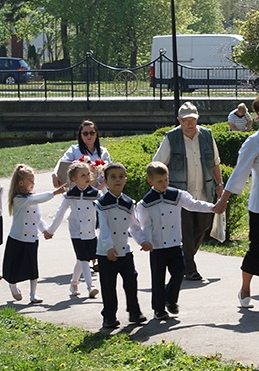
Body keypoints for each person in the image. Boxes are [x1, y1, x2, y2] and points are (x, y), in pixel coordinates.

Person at [214, 92, 259, 308]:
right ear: (258, 114)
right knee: (258, 248)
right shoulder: (254, 142)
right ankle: (245, 288)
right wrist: (224, 200)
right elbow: (239, 173)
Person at [131, 161, 215, 320]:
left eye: (166, 180)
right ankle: (158, 309)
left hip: (175, 243)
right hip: (156, 247)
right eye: (160, 181)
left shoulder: (177, 195)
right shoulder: (145, 204)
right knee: (158, 277)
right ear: (151, 182)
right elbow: (144, 225)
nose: (164, 184)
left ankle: (170, 299)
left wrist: (212, 207)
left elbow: (193, 204)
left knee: (179, 272)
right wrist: (145, 241)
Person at [153, 102, 224, 282]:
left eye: (192, 119)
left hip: (204, 192)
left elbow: (215, 162)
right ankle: (190, 269)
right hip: (180, 195)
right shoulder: (171, 138)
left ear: (197, 119)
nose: (189, 124)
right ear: (179, 120)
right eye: (185, 120)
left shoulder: (207, 135)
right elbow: (158, 164)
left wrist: (220, 184)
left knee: (202, 227)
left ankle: (182, 261)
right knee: (186, 231)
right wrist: (160, 188)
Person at [2, 164, 67, 304]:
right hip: (17, 239)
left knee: (33, 268)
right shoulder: (18, 200)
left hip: (32, 239)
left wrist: (45, 230)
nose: (33, 183)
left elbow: (37, 218)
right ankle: (13, 286)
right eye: (30, 180)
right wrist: (54, 193)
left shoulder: (32, 198)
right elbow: (34, 200)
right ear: (21, 183)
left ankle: (33, 294)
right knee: (14, 267)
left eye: (33, 180)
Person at [95, 162, 146, 330]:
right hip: (107, 253)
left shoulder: (128, 202)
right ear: (106, 181)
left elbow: (134, 226)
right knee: (108, 286)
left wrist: (142, 240)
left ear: (125, 180)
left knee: (131, 281)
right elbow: (104, 229)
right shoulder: (102, 203)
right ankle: (109, 316)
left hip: (125, 251)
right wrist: (109, 247)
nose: (117, 180)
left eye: (121, 177)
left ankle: (134, 312)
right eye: (113, 177)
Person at [46, 161, 100, 298]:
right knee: (84, 259)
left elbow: (106, 210)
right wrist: (50, 230)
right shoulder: (70, 195)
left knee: (82, 259)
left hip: (90, 231)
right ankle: (90, 286)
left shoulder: (96, 194)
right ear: (74, 179)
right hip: (76, 231)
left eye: (88, 174)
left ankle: (74, 283)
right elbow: (60, 213)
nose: (87, 177)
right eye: (83, 175)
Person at [51, 120, 111, 188]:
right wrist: (54, 174)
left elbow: (110, 171)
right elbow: (63, 163)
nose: (89, 136)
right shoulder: (74, 150)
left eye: (92, 133)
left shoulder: (103, 152)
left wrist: (101, 187)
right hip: (78, 189)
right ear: (81, 135)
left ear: (96, 134)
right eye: (85, 133)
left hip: (100, 188)